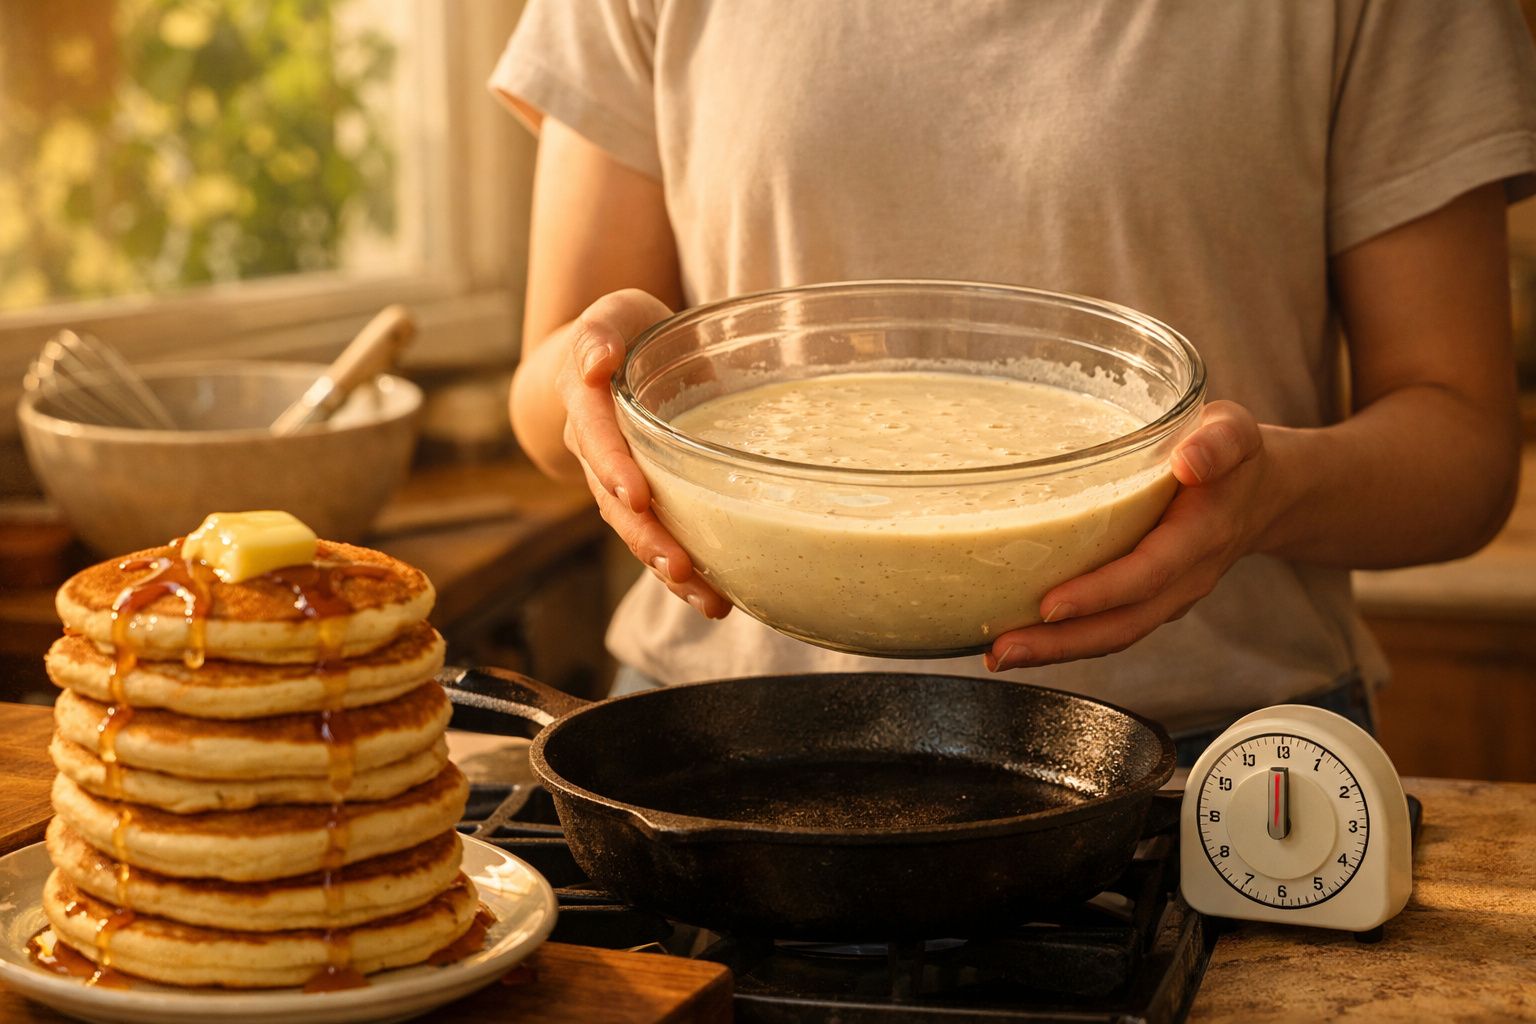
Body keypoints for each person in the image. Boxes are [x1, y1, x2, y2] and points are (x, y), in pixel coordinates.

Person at [489, 1, 1536, 757]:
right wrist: (599, 356)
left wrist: (1266, 495)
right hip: (725, 736)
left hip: (1209, 763)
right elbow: (548, 401)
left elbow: (1464, 446)